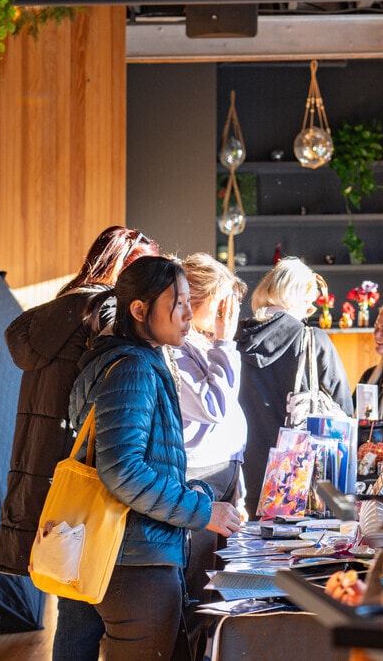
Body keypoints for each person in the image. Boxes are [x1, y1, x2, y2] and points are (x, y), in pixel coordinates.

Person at [0, 226, 159, 657]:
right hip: (84, 472)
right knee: (90, 605)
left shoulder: (61, 309)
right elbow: (108, 396)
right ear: (122, 269)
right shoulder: (104, 310)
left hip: (49, 475)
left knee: (74, 603)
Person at [66, 255, 241, 660]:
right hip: (135, 563)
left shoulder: (128, 361)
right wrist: (202, 509)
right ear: (140, 310)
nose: (187, 313)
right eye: (176, 303)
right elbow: (123, 471)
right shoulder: (134, 369)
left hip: (134, 554)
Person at [235, 257, 352, 518]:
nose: (308, 311)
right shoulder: (312, 341)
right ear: (296, 298)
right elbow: (344, 410)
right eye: (308, 304)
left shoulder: (234, 340)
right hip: (297, 481)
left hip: (242, 480)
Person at [174, 253, 248, 656]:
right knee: (196, 590)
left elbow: (229, 417)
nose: (225, 314)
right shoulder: (178, 348)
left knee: (216, 591)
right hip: (199, 477)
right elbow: (214, 406)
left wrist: (241, 485)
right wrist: (225, 341)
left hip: (223, 474)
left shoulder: (201, 344)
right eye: (220, 303)